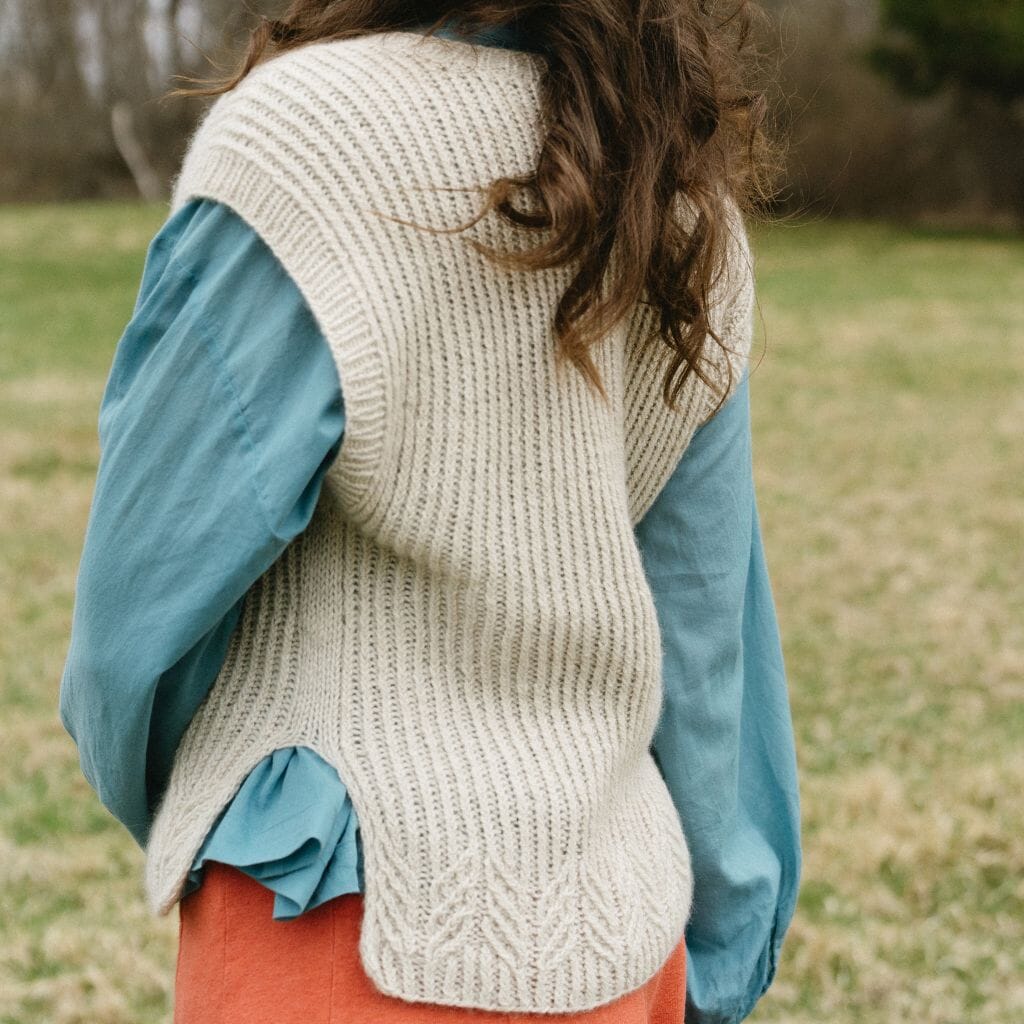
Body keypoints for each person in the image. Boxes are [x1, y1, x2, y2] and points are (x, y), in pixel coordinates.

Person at [59, 6, 801, 1023]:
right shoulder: (674, 190)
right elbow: (708, 640)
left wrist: (210, 802)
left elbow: (137, 612)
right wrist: (716, 956)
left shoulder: (307, 143)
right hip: (617, 939)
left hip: (326, 916)